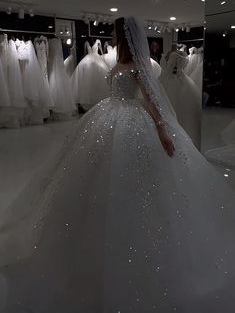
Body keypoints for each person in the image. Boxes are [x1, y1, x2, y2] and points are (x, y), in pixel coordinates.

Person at [1, 16, 235, 313]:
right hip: (106, 117)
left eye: (115, 32)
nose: (111, 36)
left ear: (125, 36)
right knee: (90, 176)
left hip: (131, 121)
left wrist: (162, 129)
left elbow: (151, 100)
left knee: (133, 182)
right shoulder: (121, 64)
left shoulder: (139, 67)